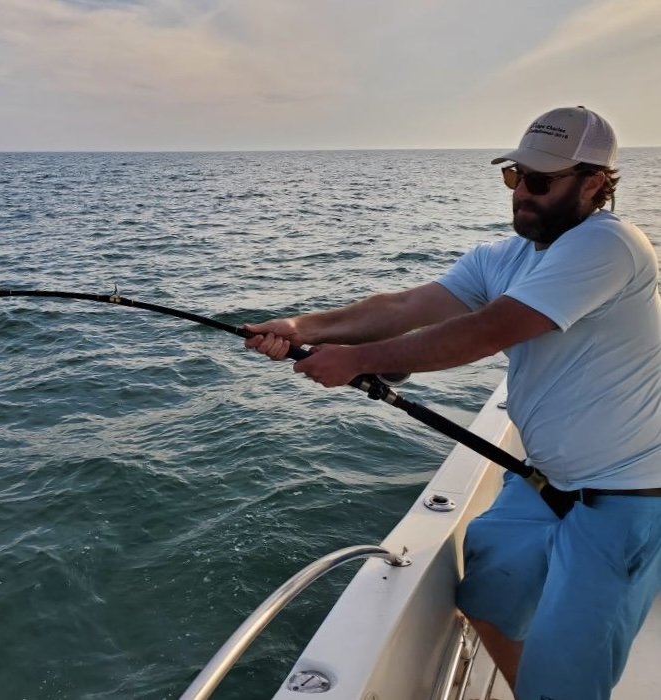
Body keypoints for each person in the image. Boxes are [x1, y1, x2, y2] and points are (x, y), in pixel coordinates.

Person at [244, 106, 661, 700]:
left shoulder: (610, 245)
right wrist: (301, 323)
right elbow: (401, 308)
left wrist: (356, 361)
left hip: (624, 499)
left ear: (595, 183)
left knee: (570, 681)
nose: (522, 195)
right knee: (485, 600)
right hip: (542, 484)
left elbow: (487, 332)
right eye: (516, 177)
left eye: (540, 182)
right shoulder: (506, 257)